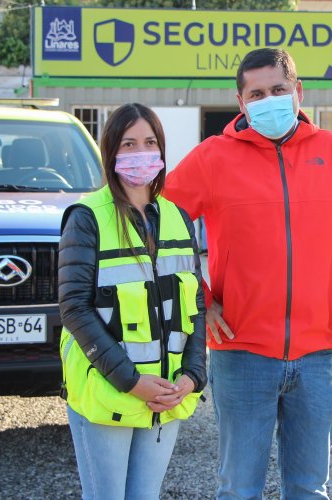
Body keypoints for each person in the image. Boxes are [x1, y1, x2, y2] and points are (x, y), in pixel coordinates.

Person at [164, 48, 332, 499]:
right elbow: (161, 227)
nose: (269, 99)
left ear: (298, 91)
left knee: (309, 489)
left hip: (317, 354)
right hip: (240, 352)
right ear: (242, 102)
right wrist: (200, 299)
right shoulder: (213, 157)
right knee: (239, 489)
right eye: (257, 93)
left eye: (278, 90)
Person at [58, 103, 207, 499]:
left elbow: (196, 304)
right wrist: (132, 381)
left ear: (161, 152)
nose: (141, 151)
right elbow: (74, 307)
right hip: (111, 390)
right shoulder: (87, 217)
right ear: (111, 152)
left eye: (149, 142)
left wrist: (193, 376)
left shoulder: (178, 217)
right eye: (128, 143)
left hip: (166, 393)